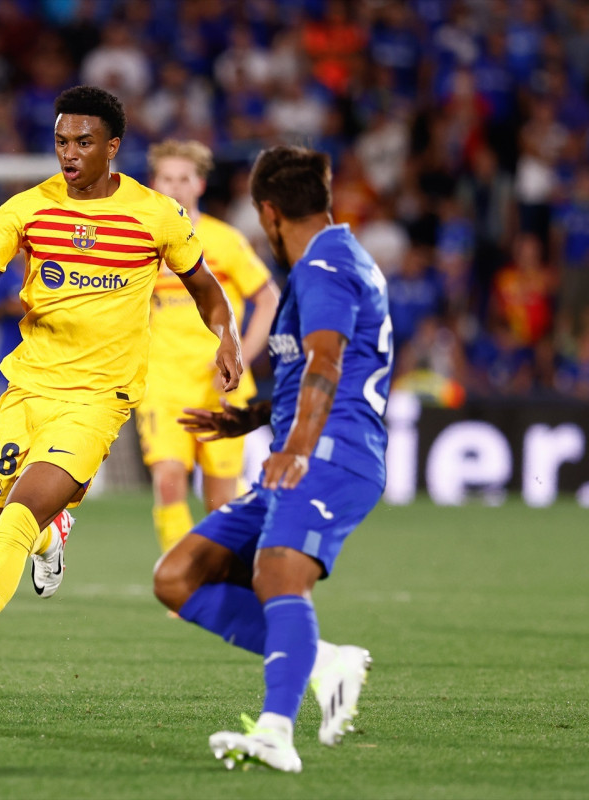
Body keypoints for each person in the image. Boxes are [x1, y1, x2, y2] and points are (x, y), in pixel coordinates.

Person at [0, 85, 243, 702]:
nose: (69, 153)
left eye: (83, 142)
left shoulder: (156, 214)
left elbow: (206, 287)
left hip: (97, 400)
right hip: (27, 391)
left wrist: (228, 336)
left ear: (113, 147)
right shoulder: (29, 208)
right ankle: (54, 535)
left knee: (13, 529)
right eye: (61, 141)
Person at [154, 145, 392, 772]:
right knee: (178, 577)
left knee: (277, 575)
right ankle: (322, 661)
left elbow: (325, 360)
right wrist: (254, 418)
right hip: (306, 446)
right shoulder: (325, 261)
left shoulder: (328, 265)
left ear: (267, 213)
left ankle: (276, 731)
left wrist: (295, 448)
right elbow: (308, 370)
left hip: (330, 455)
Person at [138, 140, 279, 553]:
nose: (176, 186)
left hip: (221, 383)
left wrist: (241, 355)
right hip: (161, 382)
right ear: (154, 184)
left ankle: (224, 576)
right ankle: (183, 583)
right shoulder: (141, 244)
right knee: (167, 480)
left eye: (184, 178)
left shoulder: (224, 241)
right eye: (167, 178)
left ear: (199, 184)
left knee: (220, 494)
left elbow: (269, 298)